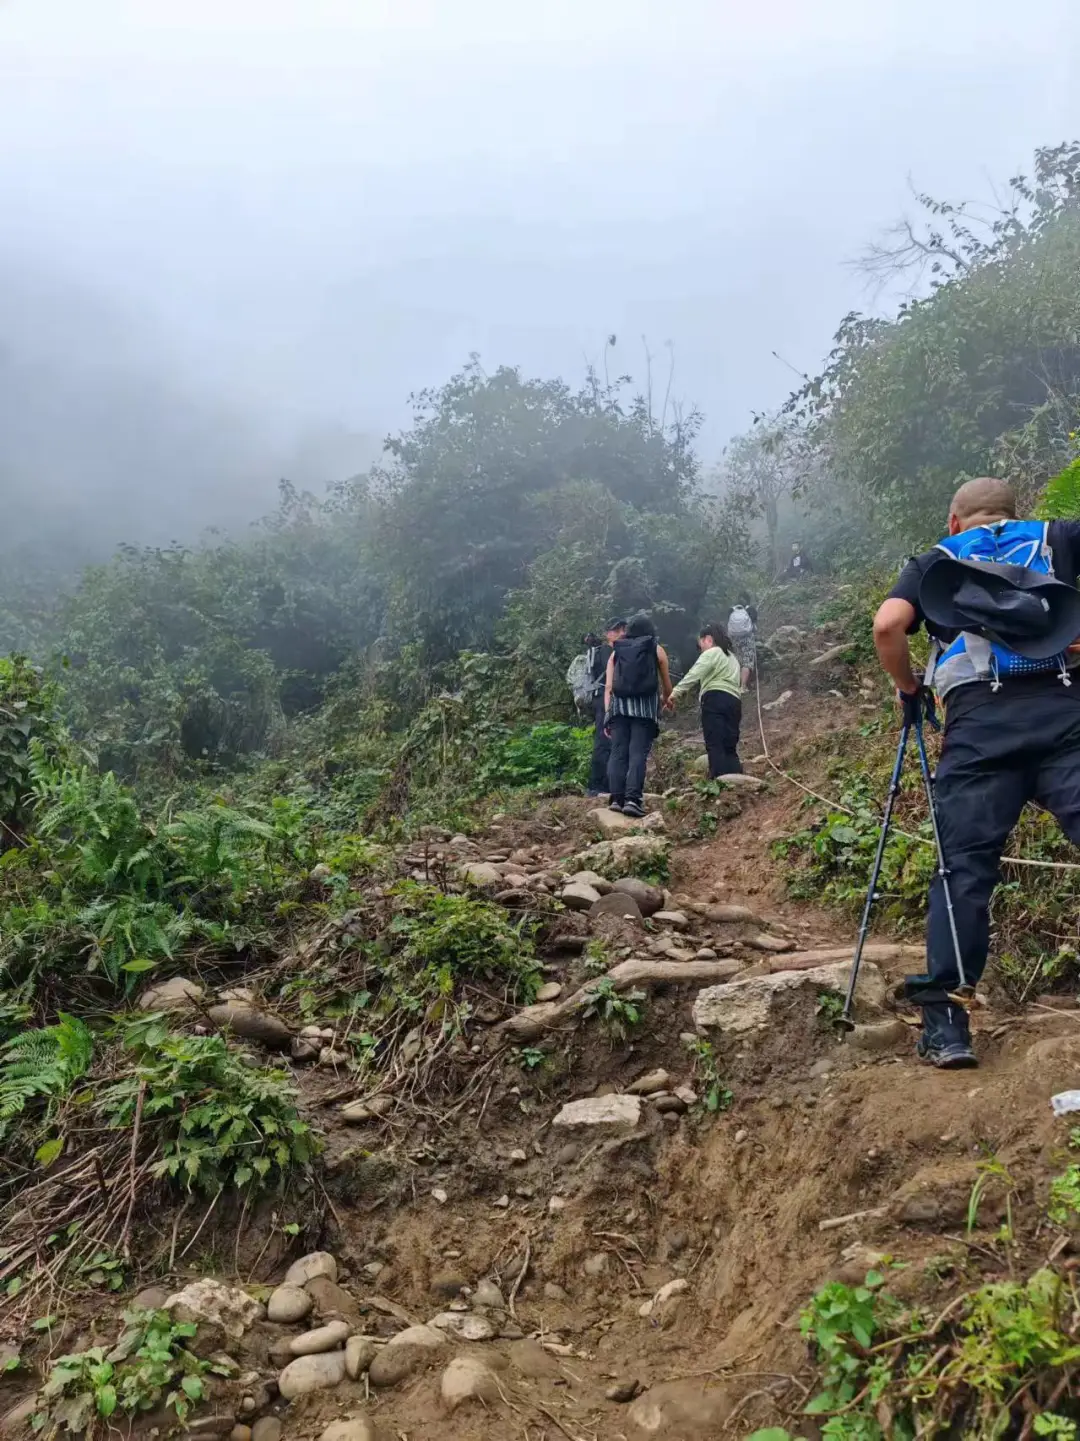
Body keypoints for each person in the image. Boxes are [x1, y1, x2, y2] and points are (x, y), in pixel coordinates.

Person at [872, 476, 1080, 1069]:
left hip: (979, 729)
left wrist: (908, 687)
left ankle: (948, 1030)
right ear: (1017, 513)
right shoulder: (1055, 538)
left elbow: (889, 625)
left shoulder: (938, 559)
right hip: (1065, 715)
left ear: (954, 519)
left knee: (962, 871)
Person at [604, 613, 672, 817]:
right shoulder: (656, 648)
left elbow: (608, 686)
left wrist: (608, 714)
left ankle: (617, 798)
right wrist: (667, 698)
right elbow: (666, 682)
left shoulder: (617, 650)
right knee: (637, 754)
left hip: (618, 709)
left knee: (618, 753)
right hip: (644, 711)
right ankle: (633, 800)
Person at [665, 624, 743, 776]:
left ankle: (718, 779)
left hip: (715, 698)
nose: (700, 649)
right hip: (735, 701)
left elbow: (694, 674)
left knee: (715, 742)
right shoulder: (733, 658)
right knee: (730, 744)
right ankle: (735, 778)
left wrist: (675, 693)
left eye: (700, 645)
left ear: (708, 639)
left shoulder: (712, 652)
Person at [585, 619, 627, 796]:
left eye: (622, 629)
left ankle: (611, 785)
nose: (620, 633)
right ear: (607, 634)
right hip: (604, 698)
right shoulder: (605, 652)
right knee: (603, 741)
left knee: (614, 742)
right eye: (615, 630)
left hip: (613, 699)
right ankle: (597, 786)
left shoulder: (618, 651)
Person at [727, 600, 758, 692]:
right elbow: (754, 625)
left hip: (735, 639)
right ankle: (743, 686)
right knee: (747, 662)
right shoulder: (750, 609)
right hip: (747, 639)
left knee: (738, 661)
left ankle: (734, 684)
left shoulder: (731, 610)